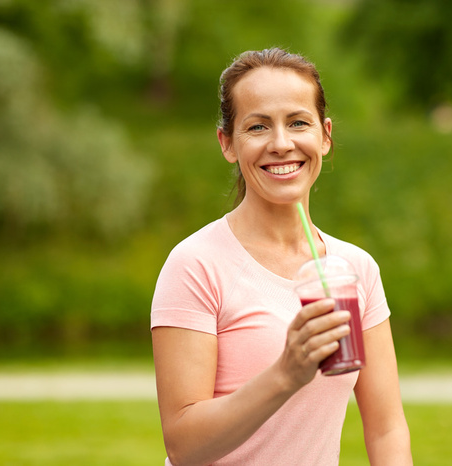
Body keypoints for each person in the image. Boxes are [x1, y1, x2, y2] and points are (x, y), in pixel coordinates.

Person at [151, 47, 412, 466]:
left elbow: (386, 428)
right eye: (257, 127)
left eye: (298, 123)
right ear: (228, 143)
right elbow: (183, 446)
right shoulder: (195, 265)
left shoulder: (355, 270)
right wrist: (285, 374)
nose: (281, 143)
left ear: (324, 136)